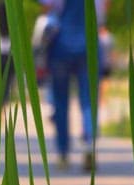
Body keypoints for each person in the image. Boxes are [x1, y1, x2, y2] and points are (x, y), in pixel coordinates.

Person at [40, 0, 98, 172]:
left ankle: (63, 152)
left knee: (60, 101)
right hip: (88, 44)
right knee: (88, 101)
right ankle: (89, 145)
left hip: (61, 47)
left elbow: (47, 7)